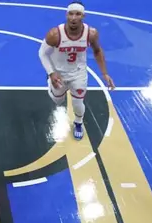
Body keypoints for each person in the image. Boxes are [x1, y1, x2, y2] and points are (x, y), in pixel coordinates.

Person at [38, 1, 115, 140]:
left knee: (78, 102)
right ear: (66, 15)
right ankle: (50, 84)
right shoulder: (55, 34)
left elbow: (97, 51)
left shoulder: (91, 34)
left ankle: (78, 123)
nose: (73, 18)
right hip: (59, 74)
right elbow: (42, 53)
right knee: (57, 101)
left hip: (78, 73)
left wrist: (105, 73)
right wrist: (51, 72)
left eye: (77, 14)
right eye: (71, 14)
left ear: (83, 16)